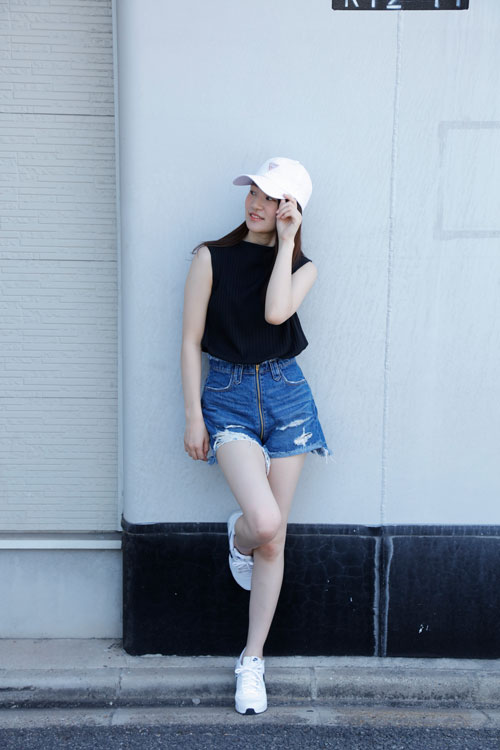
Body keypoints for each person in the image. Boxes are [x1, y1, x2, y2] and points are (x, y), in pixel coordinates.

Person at [180, 156, 331, 715]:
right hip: (228, 398)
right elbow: (190, 339)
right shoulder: (210, 257)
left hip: (288, 396)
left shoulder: (303, 268)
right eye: (254, 193)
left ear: (292, 209)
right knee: (263, 524)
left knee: (275, 540)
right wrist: (193, 416)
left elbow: (273, 313)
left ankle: (252, 661)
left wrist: (286, 243)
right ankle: (238, 535)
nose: (256, 204)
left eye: (272, 198)